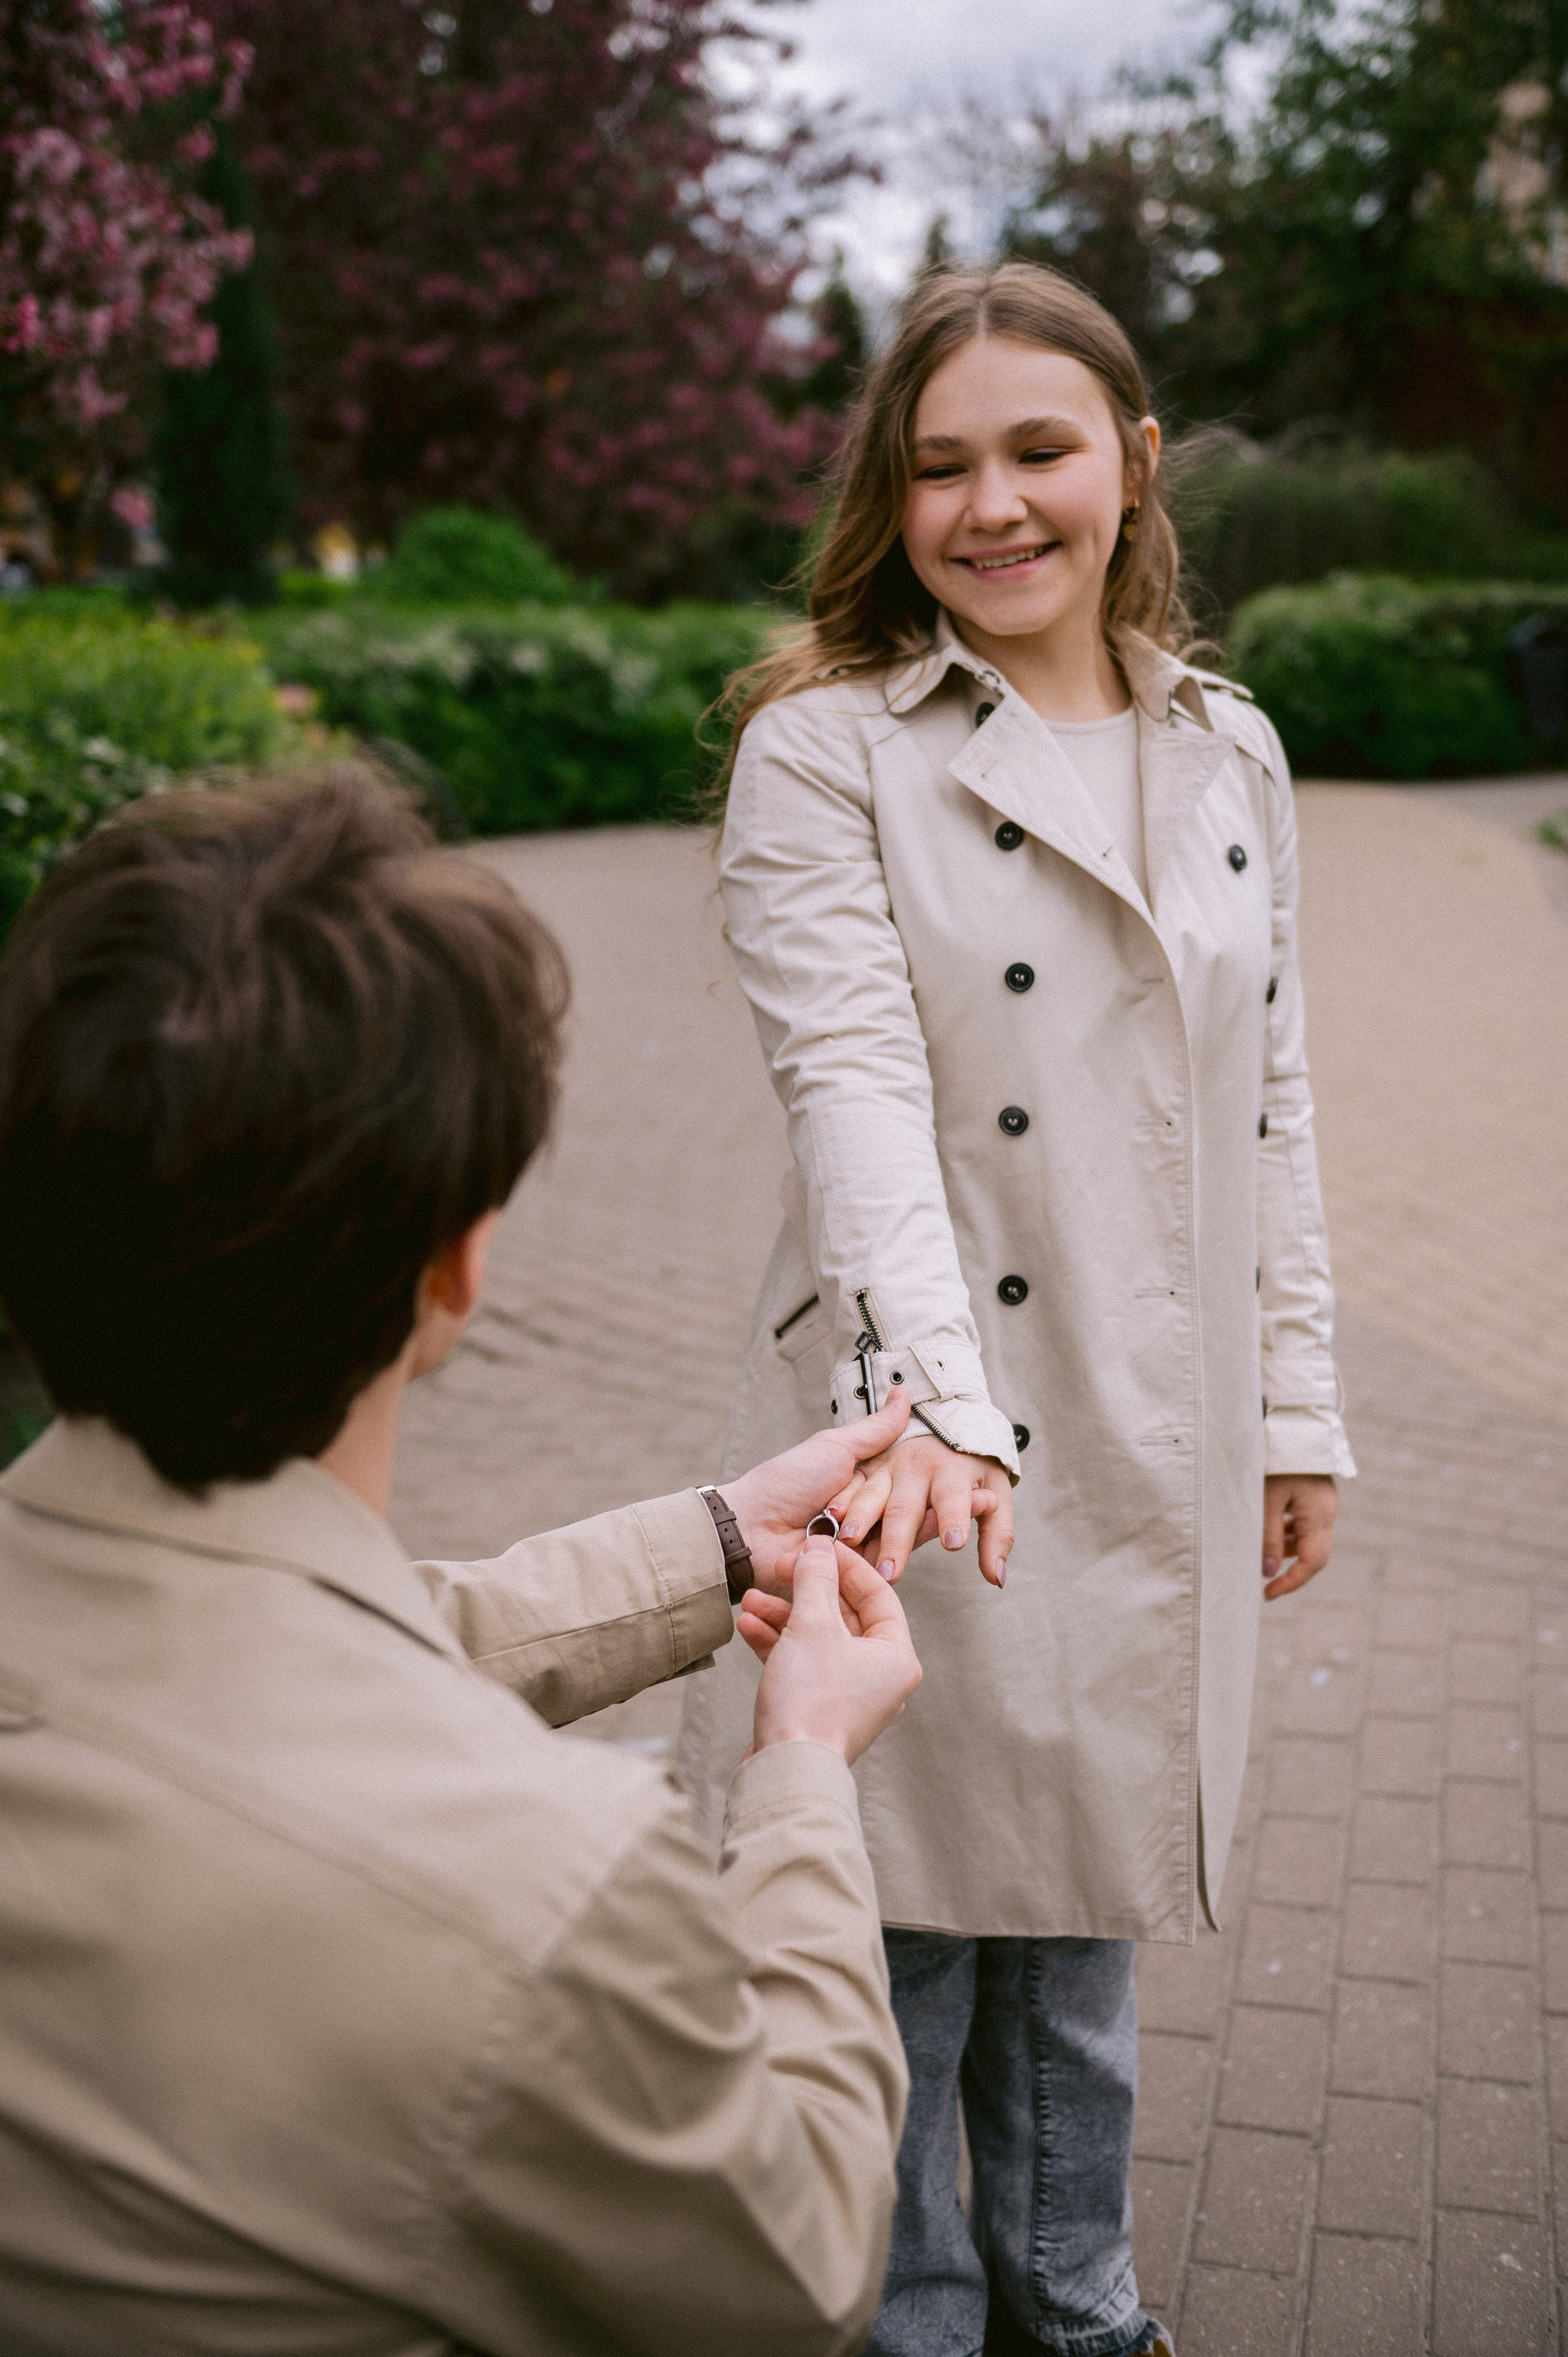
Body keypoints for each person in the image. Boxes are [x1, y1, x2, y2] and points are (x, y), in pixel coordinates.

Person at [0, 771, 927, 2357]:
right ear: (460, 1263)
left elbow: (262, 1677)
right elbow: (798, 2257)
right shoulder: (547, 1893)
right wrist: (800, 1779)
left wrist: (708, 1545)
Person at [675, 261, 1357, 2357]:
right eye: (941, 465)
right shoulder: (825, 755)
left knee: (1082, 1910)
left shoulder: (1226, 746)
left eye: (1040, 452)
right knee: (899, 1914)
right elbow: (855, 1093)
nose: (994, 508)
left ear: (1131, 465)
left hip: (1161, 1400)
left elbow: (1276, 1094)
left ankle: (1086, 2313)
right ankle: (911, 2325)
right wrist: (935, 1413)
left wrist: (1302, 1407)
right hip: (915, 1411)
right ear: (890, 494)